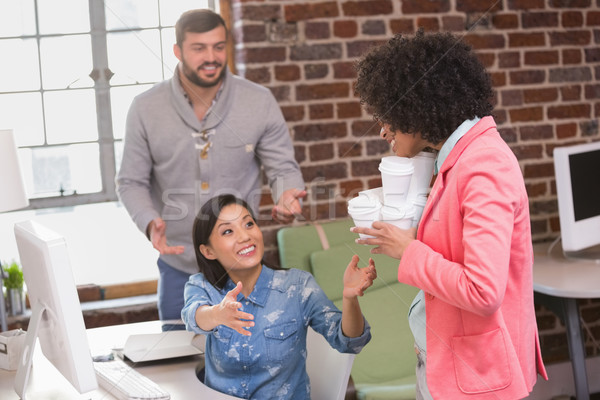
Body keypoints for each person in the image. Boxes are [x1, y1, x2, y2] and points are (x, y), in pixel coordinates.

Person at [351, 30, 548, 399]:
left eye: (387, 117)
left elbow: (482, 290)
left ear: (417, 109)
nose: (383, 131)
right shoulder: (458, 159)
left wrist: (408, 250)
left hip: (478, 376)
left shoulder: (483, 165)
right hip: (449, 364)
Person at [116, 9, 306, 324]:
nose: (211, 57)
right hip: (179, 270)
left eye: (218, 47)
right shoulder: (145, 108)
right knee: (176, 366)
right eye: (199, 48)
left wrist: (287, 195)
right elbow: (130, 182)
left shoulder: (259, 101)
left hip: (243, 269)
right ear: (177, 51)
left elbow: (282, 167)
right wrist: (150, 222)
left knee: (251, 365)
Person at [181, 194, 375, 399]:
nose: (245, 236)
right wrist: (217, 315)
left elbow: (350, 342)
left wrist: (349, 298)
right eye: (228, 231)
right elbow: (193, 316)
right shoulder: (201, 286)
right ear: (208, 251)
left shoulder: (298, 286)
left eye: (248, 224)